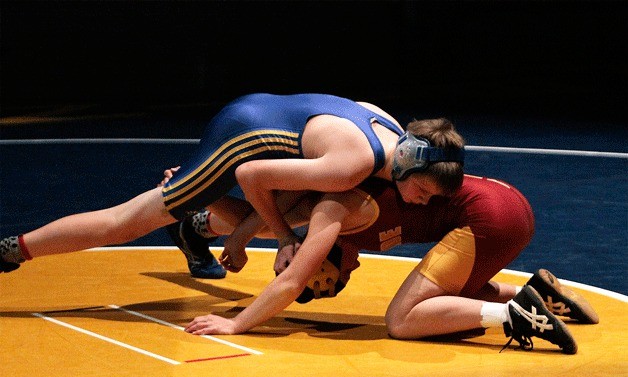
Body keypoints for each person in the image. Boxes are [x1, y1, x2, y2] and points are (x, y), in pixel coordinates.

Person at [0, 93, 464, 276]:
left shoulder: (389, 127)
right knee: (124, 224)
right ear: (406, 164)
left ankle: (195, 219)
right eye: (422, 191)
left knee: (292, 208)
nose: (420, 203)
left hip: (273, 123)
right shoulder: (352, 165)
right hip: (241, 141)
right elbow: (250, 175)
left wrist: (252, 233)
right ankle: (13, 250)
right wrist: (283, 239)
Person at [182, 172, 598, 355]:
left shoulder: (331, 213)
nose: (339, 280)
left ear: (321, 257)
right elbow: (259, 224)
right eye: (333, 287)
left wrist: (195, 190)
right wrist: (202, 197)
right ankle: (540, 296)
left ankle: (513, 314)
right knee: (442, 305)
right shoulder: (332, 223)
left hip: (488, 215)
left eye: (324, 278)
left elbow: (278, 260)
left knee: (402, 320)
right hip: (505, 204)